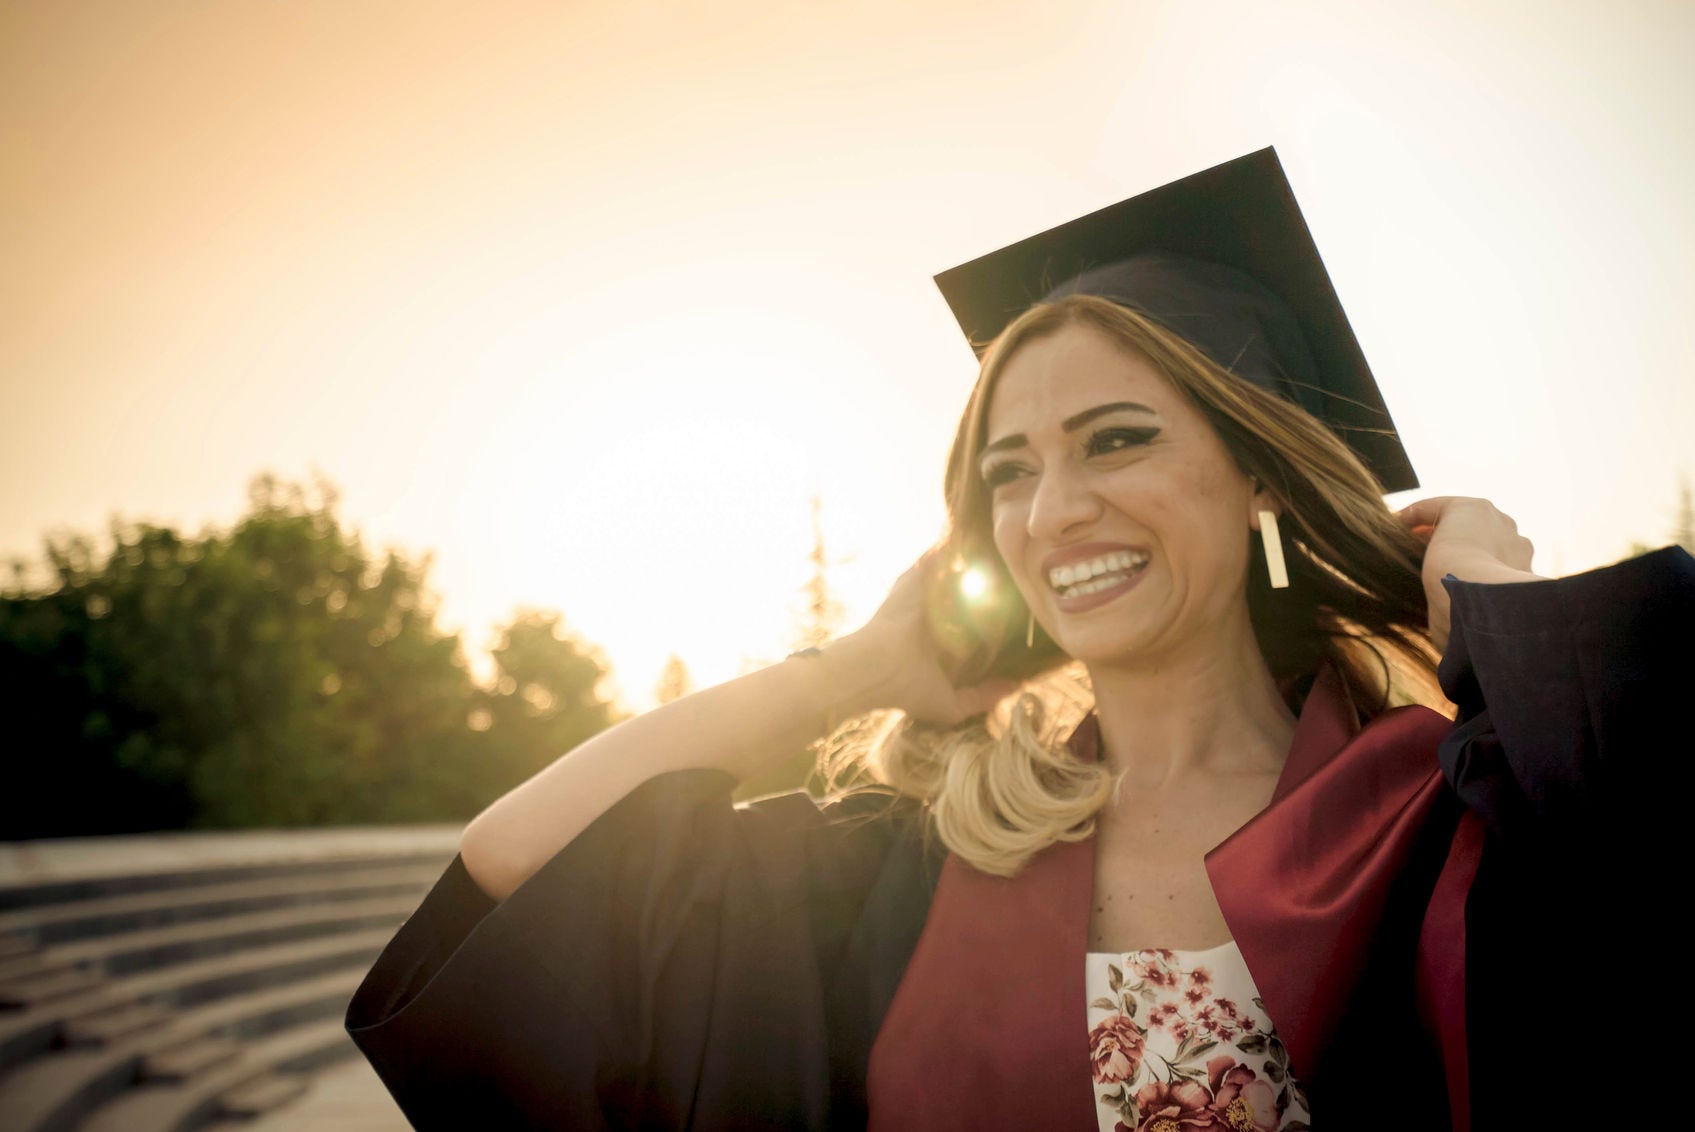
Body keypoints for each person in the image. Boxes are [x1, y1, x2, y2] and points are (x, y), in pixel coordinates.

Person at [345, 150, 1692, 1131]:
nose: (1054, 510)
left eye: (1118, 440)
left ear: (1263, 475)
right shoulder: (929, 855)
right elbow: (510, 881)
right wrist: (858, 674)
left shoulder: (1436, 814)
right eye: (1010, 469)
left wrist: (1495, 613)